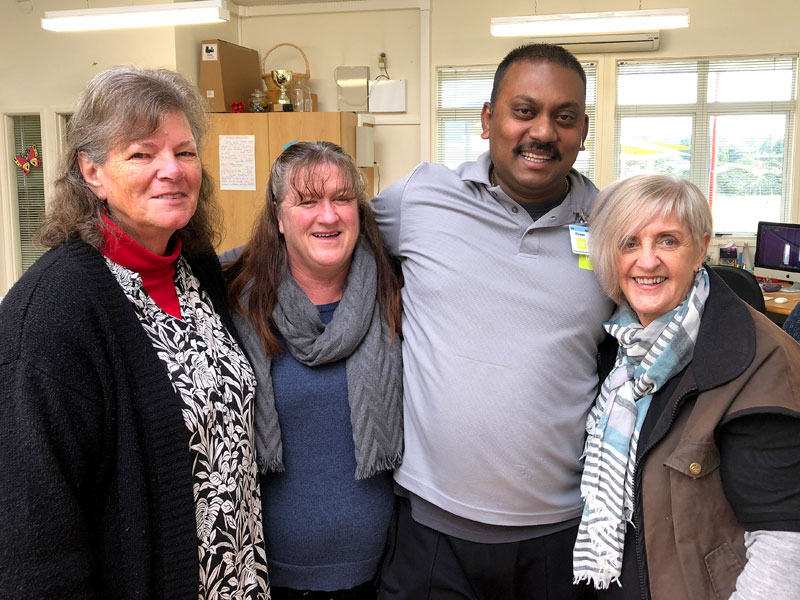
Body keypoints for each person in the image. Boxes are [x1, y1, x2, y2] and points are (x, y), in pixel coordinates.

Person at [0, 66, 269, 599]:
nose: (171, 170)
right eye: (142, 154)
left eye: (185, 152)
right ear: (92, 171)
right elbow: (32, 543)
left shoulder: (196, 270)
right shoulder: (51, 314)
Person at [371, 43, 615, 599]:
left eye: (565, 117)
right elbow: (322, 238)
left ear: (583, 130)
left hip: (560, 539)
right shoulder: (422, 198)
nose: (543, 132)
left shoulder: (609, 225)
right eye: (524, 111)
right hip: (432, 532)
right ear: (488, 120)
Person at [573, 174, 800, 600]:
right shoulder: (617, 345)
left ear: (700, 247)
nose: (646, 261)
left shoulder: (758, 363)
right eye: (629, 243)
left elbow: (785, 544)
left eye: (668, 241)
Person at [224, 141, 403, 600]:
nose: (328, 215)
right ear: (279, 218)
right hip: (260, 570)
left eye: (341, 198)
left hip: (385, 570)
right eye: (307, 201)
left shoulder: (397, 292)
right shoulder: (233, 298)